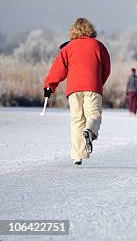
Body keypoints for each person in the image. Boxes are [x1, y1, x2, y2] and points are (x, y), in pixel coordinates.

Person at [42, 18, 111, 166]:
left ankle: (78, 156)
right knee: (94, 115)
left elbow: (58, 70)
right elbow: (106, 69)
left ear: (73, 31)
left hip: (73, 89)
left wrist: (49, 86)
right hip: (92, 86)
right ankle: (89, 131)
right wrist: (99, 83)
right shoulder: (98, 46)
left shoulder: (68, 48)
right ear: (90, 30)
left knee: (76, 120)